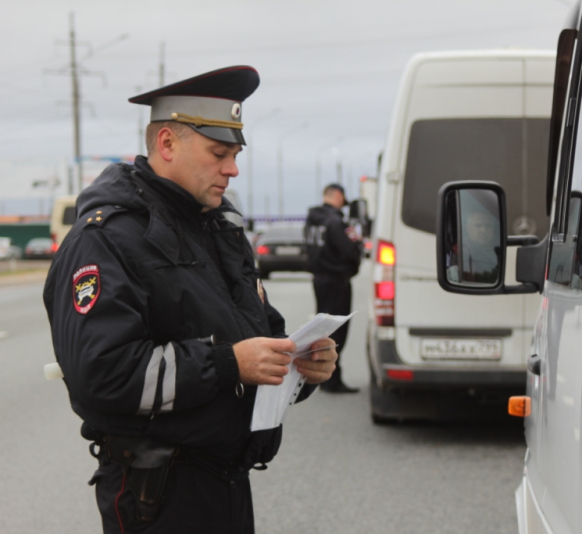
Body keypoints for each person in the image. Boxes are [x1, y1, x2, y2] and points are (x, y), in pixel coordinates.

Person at [42, 66, 338, 534]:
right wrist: (227, 364)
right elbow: (101, 374)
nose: (233, 168)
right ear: (166, 144)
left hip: (227, 482)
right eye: (219, 153)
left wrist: (301, 365)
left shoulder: (220, 229)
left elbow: (258, 337)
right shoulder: (108, 238)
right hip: (156, 496)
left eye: (236, 154)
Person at [304, 183, 362, 393]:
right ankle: (332, 380)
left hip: (319, 279)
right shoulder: (336, 221)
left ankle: (325, 376)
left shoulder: (311, 221)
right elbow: (351, 249)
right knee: (338, 330)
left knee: (325, 328)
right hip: (337, 281)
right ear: (337, 195)